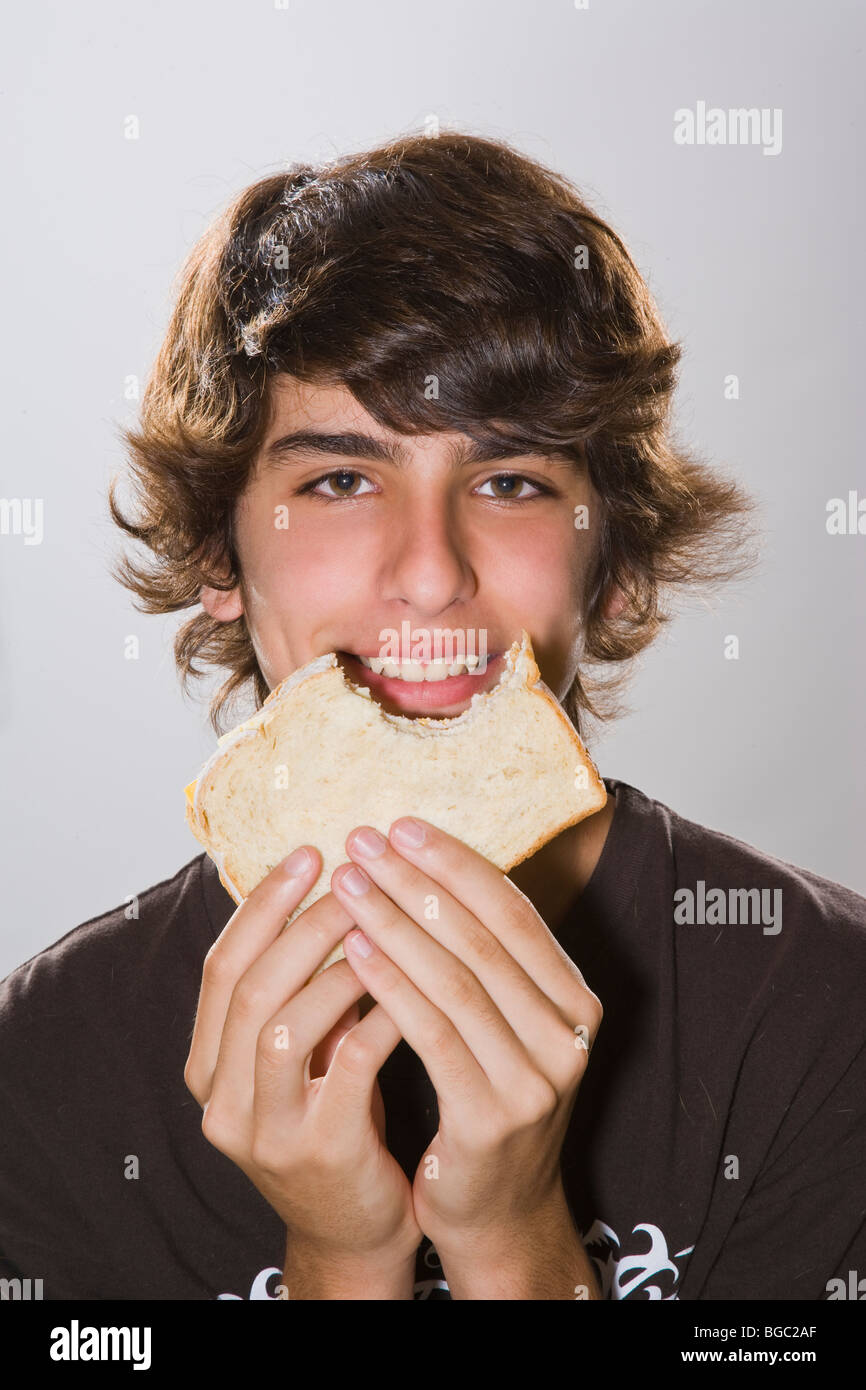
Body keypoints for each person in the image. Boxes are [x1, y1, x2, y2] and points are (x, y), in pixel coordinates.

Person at [1, 131, 863, 1302]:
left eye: (510, 481)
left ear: (610, 559)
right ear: (219, 548)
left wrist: (513, 1241)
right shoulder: (48, 1062)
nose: (426, 570)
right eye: (339, 480)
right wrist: (342, 1259)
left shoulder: (821, 1013)